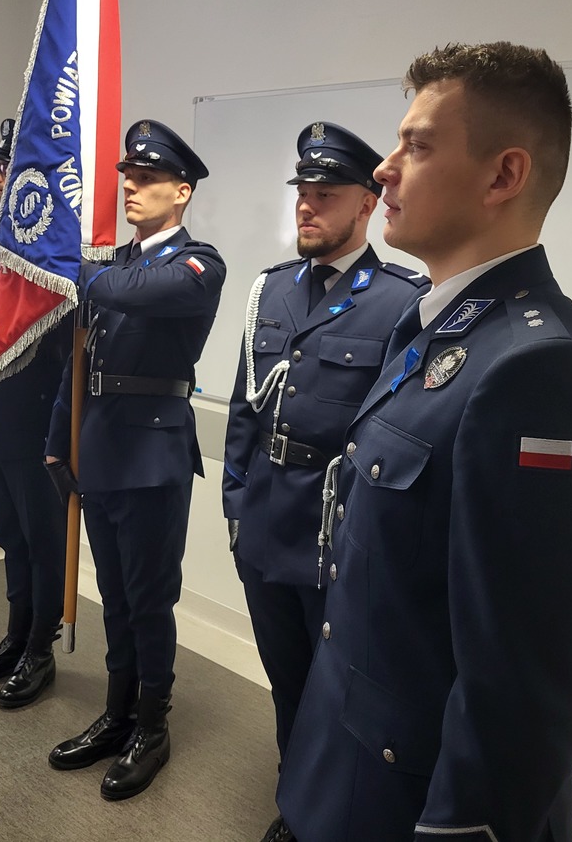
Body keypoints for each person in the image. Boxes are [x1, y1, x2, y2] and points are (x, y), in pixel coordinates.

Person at [276, 42, 572, 841]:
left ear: (503, 176)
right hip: (347, 762)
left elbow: (523, 686)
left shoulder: (541, 370)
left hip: (416, 799)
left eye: (417, 145)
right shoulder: (433, 328)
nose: (384, 169)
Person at [222, 122, 429, 842]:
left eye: (326, 194)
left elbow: (396, 435)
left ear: (367, 204)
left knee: (337, 692)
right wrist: (235, 505)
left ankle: (331, 819)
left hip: (334, 537)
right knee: (287, 681)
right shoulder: (272, 290)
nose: (307, 206)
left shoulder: (402, 301)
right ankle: (296, 804)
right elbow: (245, 411)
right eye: (303, 193)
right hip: (264, 527)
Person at [44, 119, 226, 801]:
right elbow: (80, 362)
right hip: (100, 448)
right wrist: (57, 441)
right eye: (128, 177)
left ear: (182, 191)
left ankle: (153, 725)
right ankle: (117, 713)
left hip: (153, 454)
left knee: (150, 600)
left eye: (147, 179)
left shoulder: (197, 264)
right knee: (115, 597)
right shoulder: (112, 265)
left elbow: (137, 294)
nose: (131, 188)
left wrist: (83, 270)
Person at [0, 119, 71, 709]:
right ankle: (16, 634)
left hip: (36, 422)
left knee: (43, 542)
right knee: (11, 537)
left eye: (9, 167)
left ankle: (40, 650)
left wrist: (61, 433)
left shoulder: (51, 249)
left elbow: (63, 350)